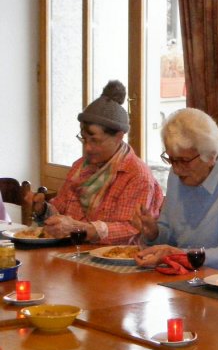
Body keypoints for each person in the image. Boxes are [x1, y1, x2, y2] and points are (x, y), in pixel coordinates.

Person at [26, 80, 163, 245]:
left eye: (95, 140)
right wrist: (43, 210)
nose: (88, 148)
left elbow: (130, 231)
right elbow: (60, 210)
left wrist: (80, 228)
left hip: (117, 263)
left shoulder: (136, 175)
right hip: (73, 253)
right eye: (84, 139)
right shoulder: (80, 166)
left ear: (119, 137)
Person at [133, 107, 218, 271]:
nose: (177, 170)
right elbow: (169, 237)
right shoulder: (176, 174)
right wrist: (154, 233)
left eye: (184, 161)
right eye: (171, 160)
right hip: (182, 277)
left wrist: (179, 254)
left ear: (211, 156)